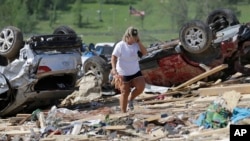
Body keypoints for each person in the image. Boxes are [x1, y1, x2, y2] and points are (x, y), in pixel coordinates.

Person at [111, 26, 147, 113]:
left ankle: (131, 99)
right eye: (133, 37)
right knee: (125, 92)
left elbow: (145, 53)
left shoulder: (136, 45)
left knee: (141, 87)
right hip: (123, 72)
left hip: (135, 70)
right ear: (128, 36)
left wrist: (139, 42)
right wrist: (114, 69)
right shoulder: (120, 45)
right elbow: (114, 57)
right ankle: (123, 112)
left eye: (136, 37)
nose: (135, 39)